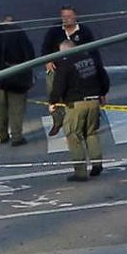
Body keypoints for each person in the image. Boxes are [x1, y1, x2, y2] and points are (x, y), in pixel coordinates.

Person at [49, 40, 110, 182]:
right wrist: (102, 94)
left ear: (63, 51)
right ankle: (97, 163)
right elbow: (104, 78)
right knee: (91, 132)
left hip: (75, 104)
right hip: (94, 101)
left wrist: (53, 102)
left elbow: (59, 86)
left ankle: (80, 172)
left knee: (73, 135)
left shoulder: (65, 65)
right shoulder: (91, 60)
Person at [40, 6, 105, 136]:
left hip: (78, 70)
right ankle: (57, 121)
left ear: (75, 17)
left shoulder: (84, 31)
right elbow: (45, 48)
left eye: (69, 16)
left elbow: (94, 52)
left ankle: (87, 123)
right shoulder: (55, 31)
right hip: (58, 68)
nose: (66, 19)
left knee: (81, 95)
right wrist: (48, 61)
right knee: (54, 92)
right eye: (64, 16)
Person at [0, 15, 36, 146]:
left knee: (1, 108)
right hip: (16, 74)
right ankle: (16, 136)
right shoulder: (19, 34)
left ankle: (2, 134)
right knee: (16, 108)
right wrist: (27, 71)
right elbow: (29, 54)